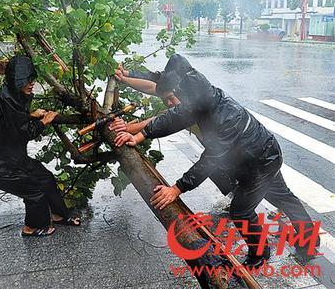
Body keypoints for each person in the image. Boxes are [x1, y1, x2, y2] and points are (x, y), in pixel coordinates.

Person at [114, 55, 319, 267]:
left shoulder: (223, 115)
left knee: (241, 211)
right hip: (257, 153)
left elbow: (211, 159)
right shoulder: (197, 95)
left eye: (171, 98)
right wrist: (140, 135)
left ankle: (260, 254)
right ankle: (309, 240)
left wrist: (177, 188)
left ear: (183, 92)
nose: (169, 104)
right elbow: (171, 116)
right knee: (282, 197)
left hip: (260, 160)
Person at [0, 55, 80, 237]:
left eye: (32, 79)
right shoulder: (6, 99)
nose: (31, 84)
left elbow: (11, 122)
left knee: (45, 178)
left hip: (10, 155)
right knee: (33, 190)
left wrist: (29, 115)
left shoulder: (13, 95)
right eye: (27, 81)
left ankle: (59, 214)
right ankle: (32, 227)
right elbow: (24, 133)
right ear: (16, 81)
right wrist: (44, 121)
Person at [111, 54, 236, 198]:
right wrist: (125, 78)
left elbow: (159, 121)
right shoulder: (174, 87)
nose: (168, 103)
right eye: (166, 99)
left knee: (223, 166)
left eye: (171, 98)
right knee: (215, 170)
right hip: (209, 137)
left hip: (227, 139)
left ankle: (241, 199)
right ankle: (234, 197)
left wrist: (127, 128)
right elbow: (152, 86)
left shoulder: (193, 102)